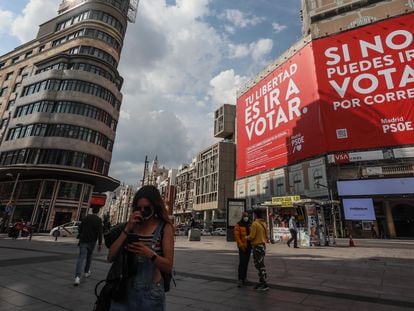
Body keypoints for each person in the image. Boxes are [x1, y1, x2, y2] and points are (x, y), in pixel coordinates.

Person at [108, 185, 174, 311]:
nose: (142, 211)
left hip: (150, 294)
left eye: (147, 208)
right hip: (124, 290)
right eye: (139, 208)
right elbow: (110, 257)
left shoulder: (165, 228)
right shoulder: (130, 227)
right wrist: (127, 229)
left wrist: (150, 254)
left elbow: (168, 266)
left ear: (155, 207)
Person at [74, 206, 103, 286]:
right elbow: (100, 232)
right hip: (92, 241)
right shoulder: (98, 220)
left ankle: (77, 277)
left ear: (92, 210)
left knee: (81, 258)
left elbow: (80, 228)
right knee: (89, 257)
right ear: (98, 212)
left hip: (83, 240)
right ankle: (86, 272)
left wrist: (81, 234)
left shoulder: (86, 218)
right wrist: (100, 244)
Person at [245, 208, 269, 291]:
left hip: (257, 246)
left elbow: (252, 236)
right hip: (262, 246)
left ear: (255, 214)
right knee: (261, 264)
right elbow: (266, 235)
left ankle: (264, 283)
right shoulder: (264, 223)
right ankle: (262, 281)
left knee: (259, 265)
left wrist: (245, 237)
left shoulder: (255, 224)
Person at [234, 211, 252, 287]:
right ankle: (240, 279)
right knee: (242, 263)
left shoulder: (250, 224)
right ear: (242, 217)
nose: (246, 217)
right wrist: (241, 246)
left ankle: (245, 278)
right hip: (242, 247)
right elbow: (237, 237)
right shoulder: (238, 224)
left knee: (246, 263)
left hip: (249, 247)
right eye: (244, 216)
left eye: (247, 216)